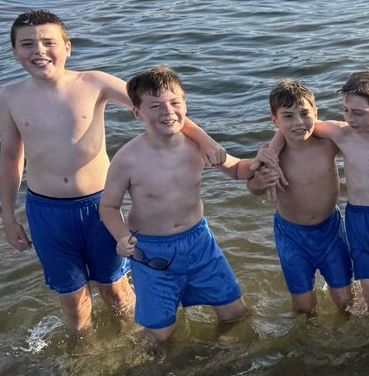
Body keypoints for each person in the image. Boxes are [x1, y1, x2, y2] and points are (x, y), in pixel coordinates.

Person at [0, 10, 226, 332]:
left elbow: (160, 108)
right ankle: (88, 362)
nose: (39, 51)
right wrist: (8, 216)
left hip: (99, 206)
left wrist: (204, 140)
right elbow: (10, 157)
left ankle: (136, 349)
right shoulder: (10, 97)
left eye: (49, 42)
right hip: (47, 210)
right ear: (15, 51)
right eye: (27, 44)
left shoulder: (94, 83)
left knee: (116, 291)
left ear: (67, 47)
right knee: (73, 304)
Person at [99, 67, 259, 341]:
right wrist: (121, 236)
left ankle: (225, 359)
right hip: (151, 251)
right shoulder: (128, 158)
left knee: (236, 313)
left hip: (199, 243)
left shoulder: (197, 147)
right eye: (155, 106)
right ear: (137, 112)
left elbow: (235, 170)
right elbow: (108, 207)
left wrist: (263, 161)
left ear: (185, 105)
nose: (168, 111)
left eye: (175, 103)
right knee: (160, 333)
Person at [260, 71, 369, 315]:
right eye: (345, 111)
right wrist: (272, 151)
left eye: (358, 112)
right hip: (360, 220)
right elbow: (294, 126)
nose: (350, 119)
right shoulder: (341, 134)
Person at [247, 80, 354, 315]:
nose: (298, 122)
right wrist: (257, 184)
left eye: (305, 113)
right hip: (291, 235)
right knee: (304, 306)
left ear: (316, 113)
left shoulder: (328, 143)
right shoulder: (272, 156)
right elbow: (253, 187)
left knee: (346, 299)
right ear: (274, 120)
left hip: (330, 230)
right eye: (287, 116)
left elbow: (359, 127)